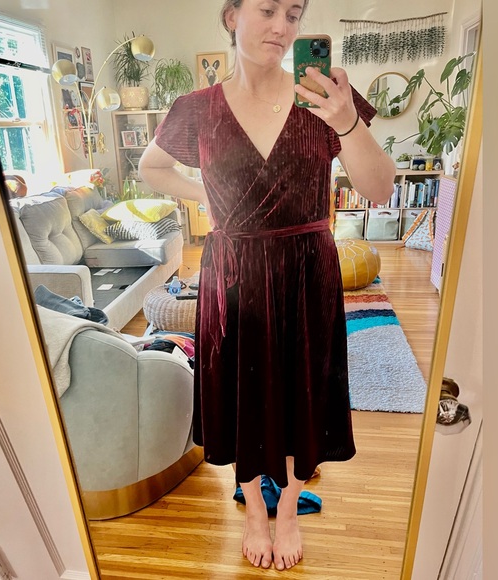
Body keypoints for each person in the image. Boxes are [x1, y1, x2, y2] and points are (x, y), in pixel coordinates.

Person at [139, 0, 395, 571]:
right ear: (232, 15)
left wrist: (346, 121)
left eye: (294, 13)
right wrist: (206, 195)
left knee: (307, 387)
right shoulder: (196, 108)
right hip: (233, 273)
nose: (282, 27)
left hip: (307, 271)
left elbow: (380, 189)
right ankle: (255, 507)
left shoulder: (324, 99)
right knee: (241, 389)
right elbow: (150, 167)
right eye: (268, 9)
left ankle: (287, 512)